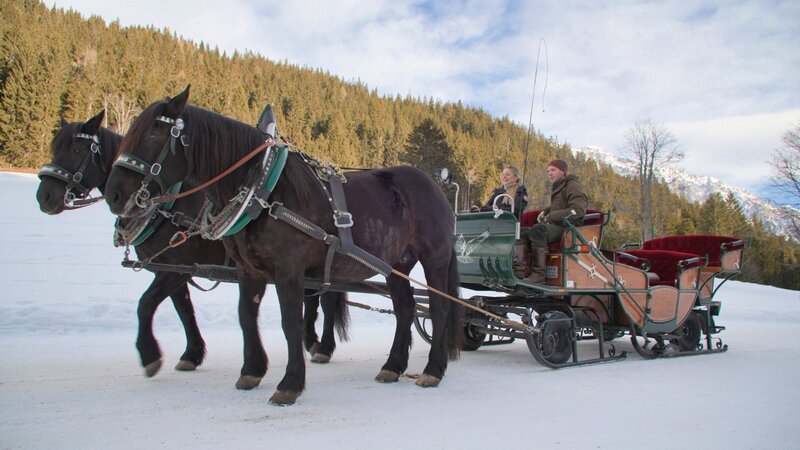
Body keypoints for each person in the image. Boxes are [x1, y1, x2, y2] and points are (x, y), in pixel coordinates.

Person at [525, 159, 588, 283]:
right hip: (557, 225)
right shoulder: (558, 186)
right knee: (521, 233)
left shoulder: (572, 185)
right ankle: (520, 272)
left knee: (538, 231)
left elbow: (578, 209)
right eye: (548, 171)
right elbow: (560, 205)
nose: (549, 173)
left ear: (563, 172)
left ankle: (539, 275)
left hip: (568, 228)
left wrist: (552, 216)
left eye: (553, 170)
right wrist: (546, 211)